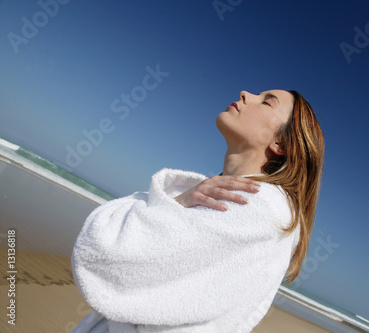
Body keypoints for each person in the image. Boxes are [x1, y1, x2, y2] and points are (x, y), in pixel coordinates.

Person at [71, 89, 325, 333]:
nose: (245, 93)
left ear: (281, 143)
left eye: (266, 102)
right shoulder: (241, 197)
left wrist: (173, 202)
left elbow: (110, 255)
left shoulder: (259, 204)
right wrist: (179, 200)